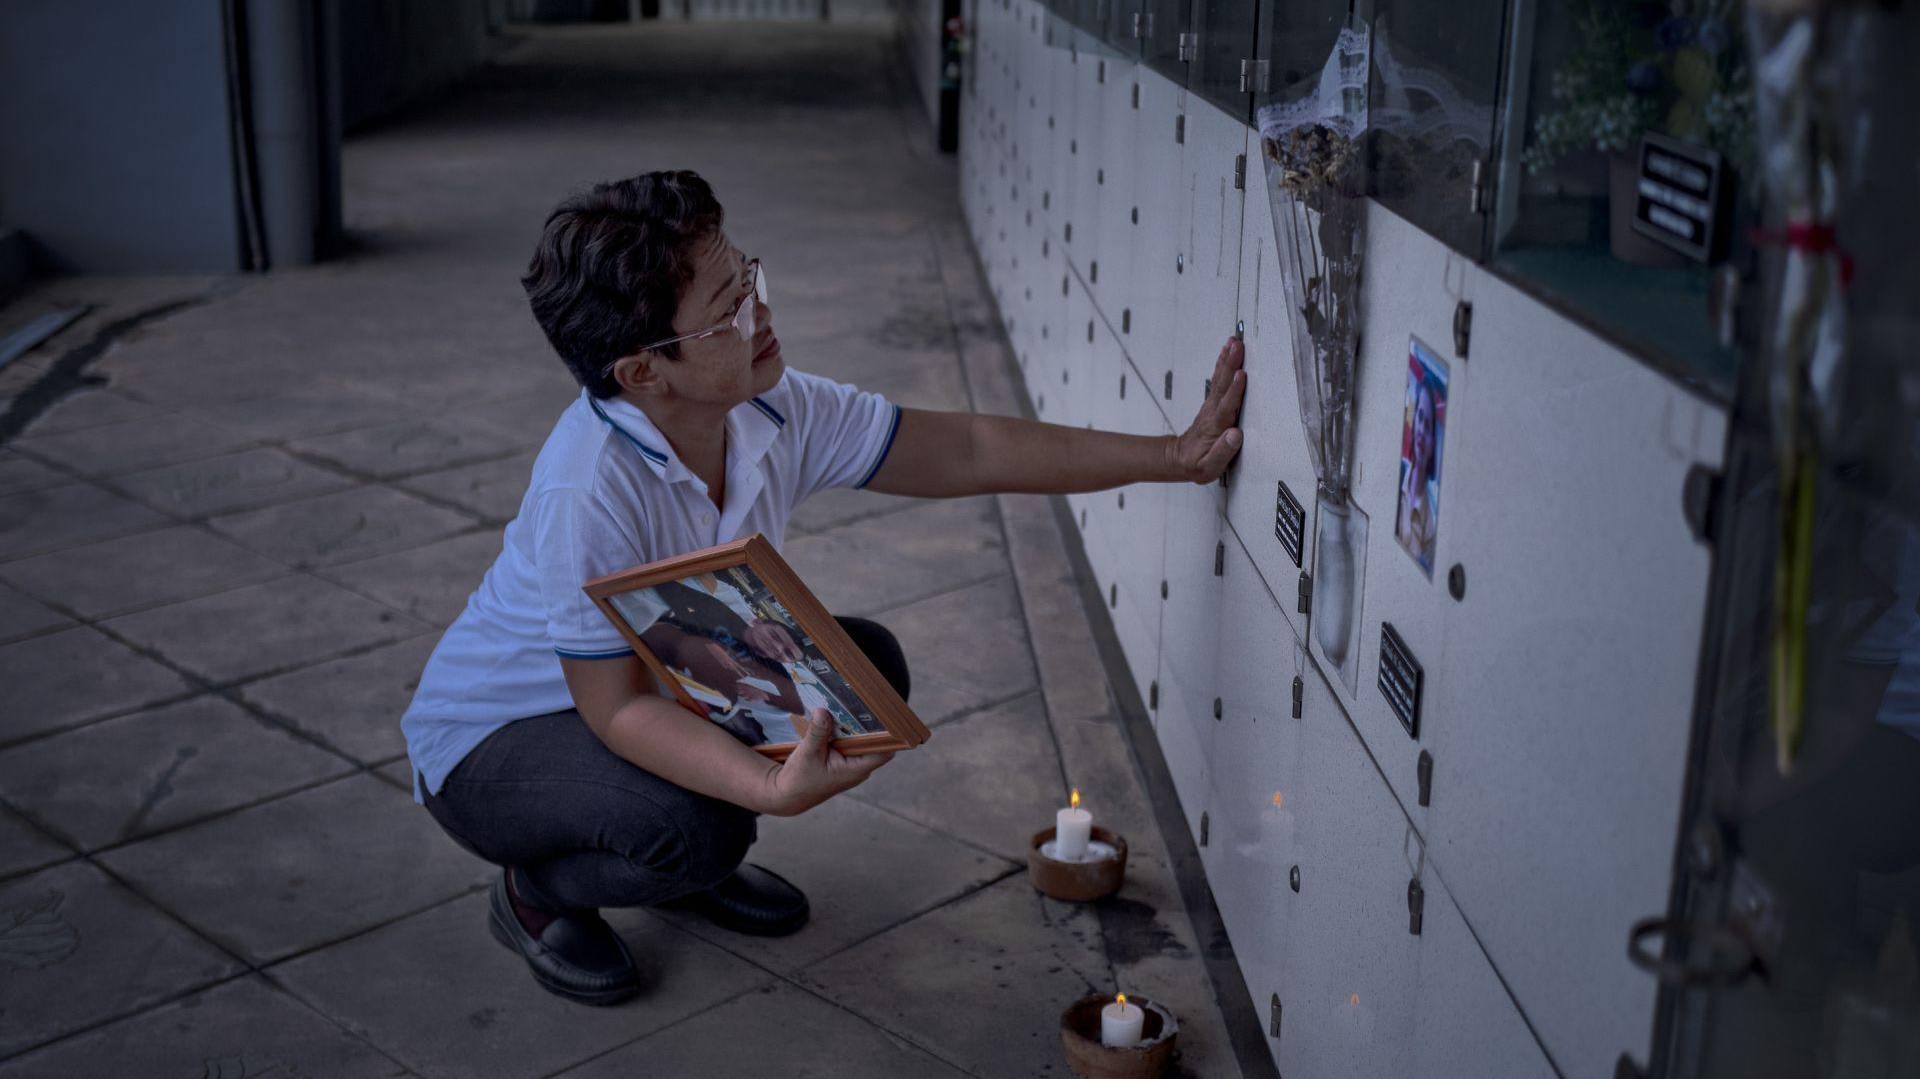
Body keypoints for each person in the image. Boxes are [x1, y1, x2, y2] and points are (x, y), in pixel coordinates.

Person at [399, 170, 1245, 1006]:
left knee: (863, 670)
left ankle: (677, 866)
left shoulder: (766, 406)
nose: (759, 312)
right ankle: (538, 893)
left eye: (749, 279)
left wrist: (1170, 457)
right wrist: (765, 788)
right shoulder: (588, 490)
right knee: (703, 824)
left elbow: (971, 450)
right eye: (725, 311)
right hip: (494, 743)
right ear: (643, 373)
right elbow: (613, 710)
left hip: (659, 676)